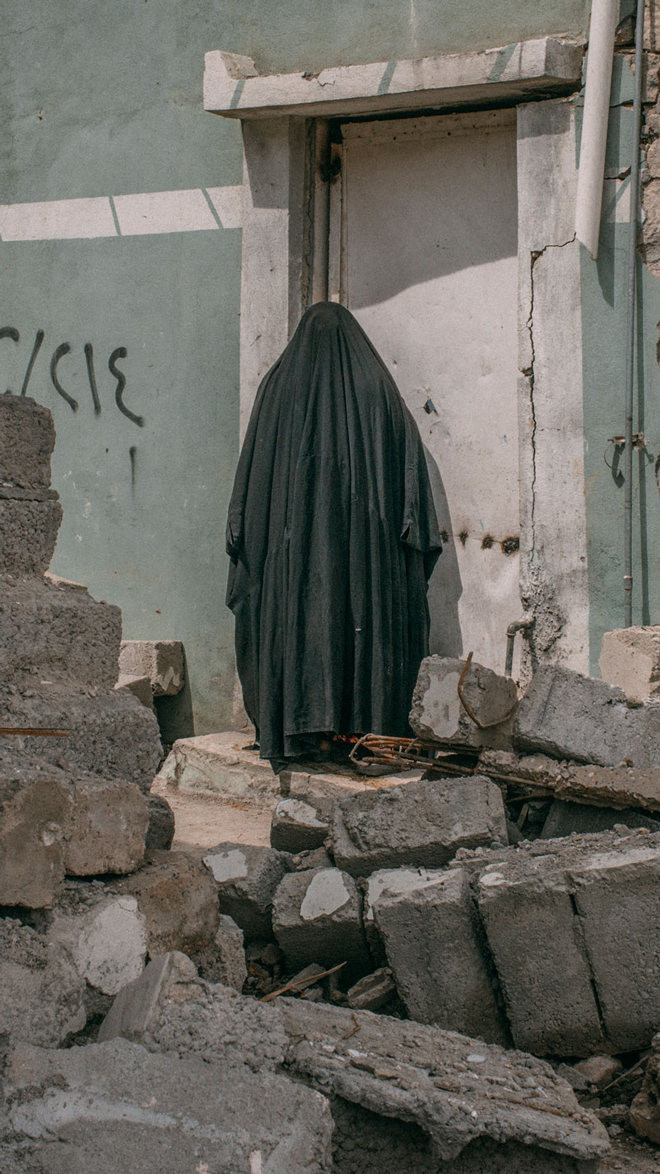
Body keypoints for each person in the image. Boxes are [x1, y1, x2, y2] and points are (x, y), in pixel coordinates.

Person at [226, 302, 442, 771]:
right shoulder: (377, 390)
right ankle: (367, 731)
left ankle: (300, 729)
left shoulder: (278, 389)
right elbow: (412, 495)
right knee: (358, 619)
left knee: (302, 617)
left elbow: (248, 489)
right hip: (366, 561)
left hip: (290, 560)